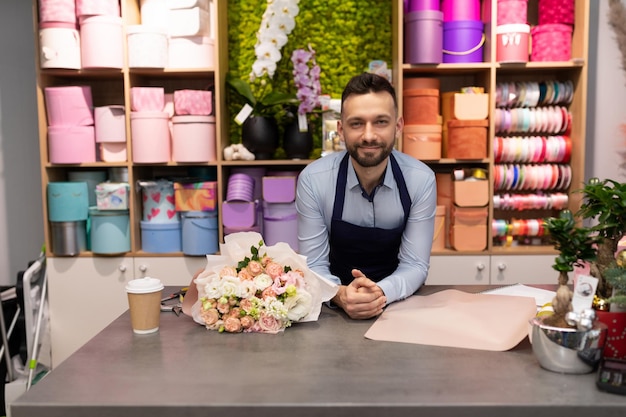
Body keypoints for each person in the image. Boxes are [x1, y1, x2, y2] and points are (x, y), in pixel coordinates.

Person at [296, 72, 437, 320]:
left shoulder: (420, 180)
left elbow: (415, 265)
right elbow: (314, 265)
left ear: (398, 126)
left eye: (381, 122)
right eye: (357, 123)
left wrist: (380, 292)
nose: (369, 135)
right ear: (340, 129)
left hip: (398, 307)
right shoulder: (313, 180)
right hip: (334, 307)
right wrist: (340, 295)